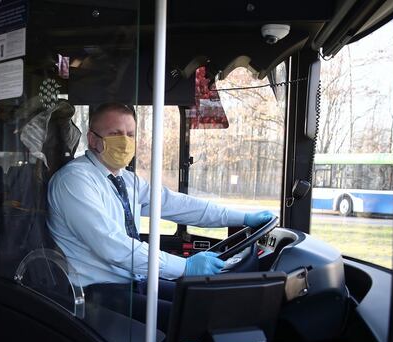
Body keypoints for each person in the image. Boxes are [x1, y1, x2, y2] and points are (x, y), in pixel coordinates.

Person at [47, 102, 274, 329]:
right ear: (93, 139)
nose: (124, 141)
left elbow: (176, 204)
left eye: (130, 134)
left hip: (132, 280)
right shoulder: (75, 181)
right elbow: (113, 246)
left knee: (213, 303)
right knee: (200, 321)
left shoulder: (125, 180)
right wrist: (185, 267)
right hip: (98, 293)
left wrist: (241, 218)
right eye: (115, 134)